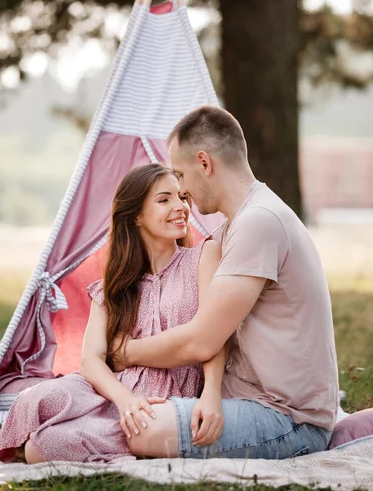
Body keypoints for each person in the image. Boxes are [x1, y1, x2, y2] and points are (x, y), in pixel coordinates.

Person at [111, 105, 339, 460]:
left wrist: (123, 352)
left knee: (144, 430)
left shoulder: (259, 222)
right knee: (130, 413)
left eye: (181, 176)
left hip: (289, 417)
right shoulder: (234, 227)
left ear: (205, 163)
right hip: (245, 399)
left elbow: (203, 340)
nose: (182, 190)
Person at [0, 163, 225, 463]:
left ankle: (14, 442)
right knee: (36, 399)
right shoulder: (113, 286)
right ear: (136, 217)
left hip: (161, 401)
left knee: (46, 446)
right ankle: (11, 436)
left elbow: (215, 336)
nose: (180, 206)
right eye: (164, 199)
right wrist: (124, 398)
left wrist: (211, 394)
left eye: (183, 197)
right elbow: (91, 361)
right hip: (113, 391)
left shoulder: (204, 257)